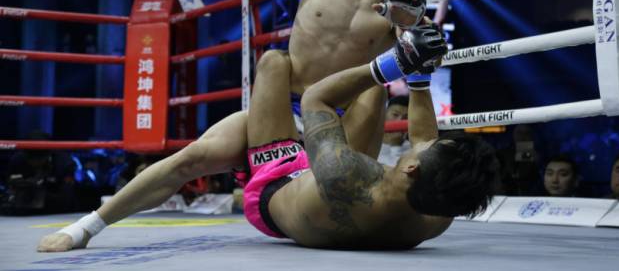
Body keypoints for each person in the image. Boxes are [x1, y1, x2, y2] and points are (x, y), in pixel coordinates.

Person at [37, 0, 448, 251]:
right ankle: (86, 227)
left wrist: (413, 25)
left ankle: (331, 211)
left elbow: (425, 56)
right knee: (196, 154)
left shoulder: (404, 9)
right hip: (283, 114)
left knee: (373, 92)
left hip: (341, 131)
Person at [40, 25, 499, 250]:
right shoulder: (436, 214)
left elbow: (317, 98)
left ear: (413, 166)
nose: (425, 139)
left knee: (274, 65)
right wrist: (418, 77)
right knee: (373, 95)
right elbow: (423, 138)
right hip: (325, 189)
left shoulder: (344, 172)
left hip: (277, 184)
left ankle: (84, 229)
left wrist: (393, 63)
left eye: (427, 148)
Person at [377, 95, 411, 166]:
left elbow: (401, 171)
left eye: (406, 117)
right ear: (384, 113)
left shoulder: (411, 147)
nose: (399, 120)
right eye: (395, 115)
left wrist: (396, 146)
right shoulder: (369, 139)